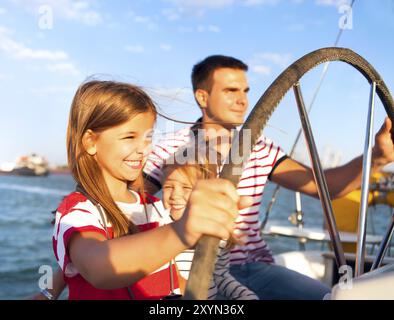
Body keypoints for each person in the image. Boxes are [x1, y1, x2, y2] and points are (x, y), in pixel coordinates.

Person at [143, 55, 394, 299]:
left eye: (245, 91)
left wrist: (378, 155)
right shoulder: (169, 148)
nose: (242, 100)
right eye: (231, 91)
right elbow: (127, 203)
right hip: (190, 269)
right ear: (202, 96)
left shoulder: (260, 147)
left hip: (254, 267)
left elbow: (325, 187)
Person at [52, 79, 249, 299]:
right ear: (90, 142)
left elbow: (174, 274)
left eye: (148, 137)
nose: (143, 149)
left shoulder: (156, 207)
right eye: (129, 137)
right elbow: (97, 267)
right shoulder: (77, 211)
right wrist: (182, 231)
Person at [161, 146, 258, 300]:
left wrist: (245, 296)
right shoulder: (157, 227)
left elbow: (220, 276)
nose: (175, 195)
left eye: (186, 187)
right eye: (168, 187)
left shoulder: (218, 233)